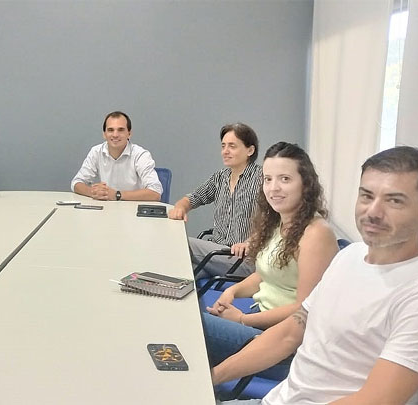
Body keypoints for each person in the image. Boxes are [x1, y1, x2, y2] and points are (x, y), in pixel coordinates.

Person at [212, 146, 418, 405]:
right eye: (367, 196)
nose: (373, 212)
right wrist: (212, 378)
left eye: (394, 201)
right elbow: (288, 334)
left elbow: (374, 401)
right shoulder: (350, 256)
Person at [201, 142, 338, 378]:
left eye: (285, 179)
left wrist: (243, 320)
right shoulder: (279, 221)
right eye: (268, 179)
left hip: (280, 345)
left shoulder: (316, 234)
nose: (274, 188)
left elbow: (305, 309)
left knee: (187, 325)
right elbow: (266, 275)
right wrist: (232, 291)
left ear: (306, 184)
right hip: (260, 321)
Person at [168, 123, 261, 277]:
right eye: (223, 146)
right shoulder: (220, 177)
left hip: (243, 259)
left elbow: (275, 223)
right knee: (182, 274)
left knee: (180, 241)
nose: (225, 151)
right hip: (217, 253)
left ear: (250, 150)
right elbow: (193, 197)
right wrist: (180, 208)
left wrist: (251, 243)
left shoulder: (262, 179)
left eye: (232, 146)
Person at [70, 111, 162, 201]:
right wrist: (94, 192)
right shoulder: (96, 152)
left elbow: (156, 192)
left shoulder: (140, 155)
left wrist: (117, 195)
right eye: (110, 130)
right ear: (104, 134)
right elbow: (76, 183)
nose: (115, 135)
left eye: (120, 130)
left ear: (129, 134)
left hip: (133, 208)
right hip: (106, 208)